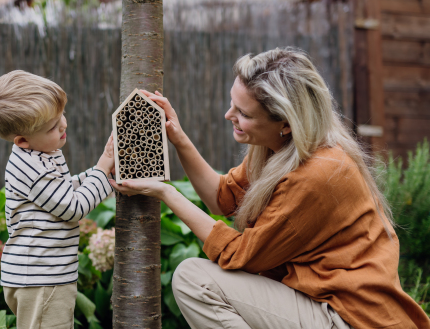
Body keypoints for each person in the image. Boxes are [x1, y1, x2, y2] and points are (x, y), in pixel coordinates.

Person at [110, 48, 430, 329]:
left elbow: (241, 256)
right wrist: (178, 138)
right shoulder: (277, 149)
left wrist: (166, 192)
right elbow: (222, 197)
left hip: (348, 317)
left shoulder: (318, 174)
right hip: (321, 301)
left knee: (194, 279)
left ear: (286, 123)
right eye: (232, 104)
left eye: (244, 113)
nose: (228, 115)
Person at [0, 70, 115, 329]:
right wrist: (102, 168)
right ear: (23, 140)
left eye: (61, 116)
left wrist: (103, 177)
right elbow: (73, 207)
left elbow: (62, 191)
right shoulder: (32, 167)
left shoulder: (40, 152)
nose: (63, 125)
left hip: (39, 275)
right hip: (41, 278)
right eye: (52, 127)